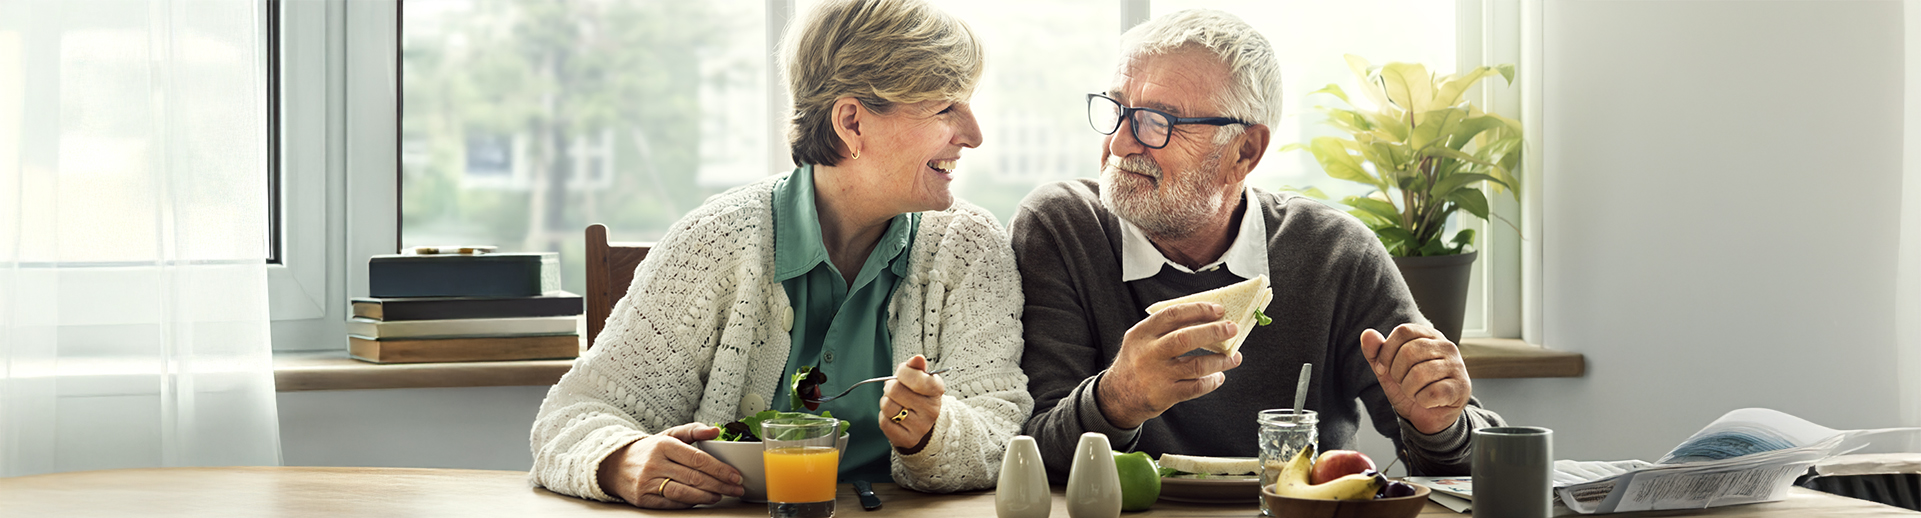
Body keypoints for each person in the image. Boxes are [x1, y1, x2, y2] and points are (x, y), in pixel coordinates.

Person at [529, 0, 1031, 508]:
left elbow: (999, 424)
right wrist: (620, 458)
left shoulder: (969, 246)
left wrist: (931, 433)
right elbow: (573, 415)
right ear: (852, 122)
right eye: (946, 107)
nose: (973, 134)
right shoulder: (711, 242)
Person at [1013, 9, 1504, 481]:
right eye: (1118, 109)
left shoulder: (1335, 254)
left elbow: (1477, 469)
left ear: (1244, 151)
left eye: (1157, 121)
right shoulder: (1062, 228)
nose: (1120, 144)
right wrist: (1118, 399)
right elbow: (1029, 457)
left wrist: (1439, 425)